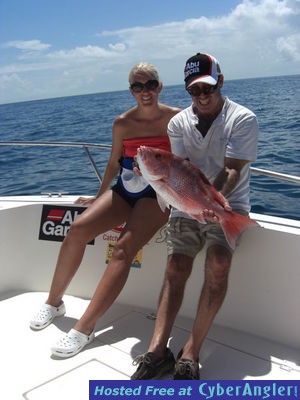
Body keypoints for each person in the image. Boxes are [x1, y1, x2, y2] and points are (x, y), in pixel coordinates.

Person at [30, 62, 180, 358]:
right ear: (131, 91)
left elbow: (188, 161)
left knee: (123, 248)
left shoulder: (176, 119)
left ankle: (84, 329)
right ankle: (54, 302)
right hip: (126, 187)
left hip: (159, 193)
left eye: (150, 84)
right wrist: (97, 198)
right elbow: (113, 164)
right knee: (77, 229)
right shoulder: (122, 123)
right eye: (138, 87)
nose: (145, 91)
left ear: (160, 87)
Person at [131, 52, 259, 379]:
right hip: (188, 199)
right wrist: (175, 196)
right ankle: (157, 349)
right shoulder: (178, 123)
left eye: (207, 89)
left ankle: (191, 351)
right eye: (193, 91)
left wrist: (213, 206)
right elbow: (180, 171)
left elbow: (231, 169)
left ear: (221, 82)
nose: (201, 97)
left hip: (228, 203)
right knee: (176, 265)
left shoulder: (242, 118)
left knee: (218, 261)